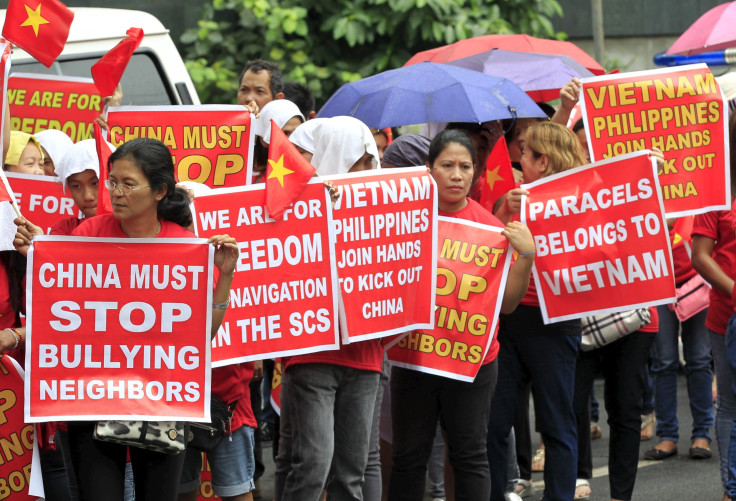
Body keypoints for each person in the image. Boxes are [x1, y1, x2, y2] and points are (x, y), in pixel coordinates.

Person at [14, 137, 239, 501]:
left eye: (128, 184)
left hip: (161, 402)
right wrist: (42, 260)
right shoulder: (88, 234)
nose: (115, 192)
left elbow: (203, 336)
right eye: (112, 181)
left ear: (160, 191)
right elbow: (64, 315)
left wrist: (224, 278)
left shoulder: (184, 246)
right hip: (91, 398)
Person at [388, 128, 535, 501]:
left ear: (475, 173)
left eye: (465, 166)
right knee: (409, 456)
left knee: (470, 455)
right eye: (447, 165)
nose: (457, 175)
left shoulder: (492, 230)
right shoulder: (403, 223)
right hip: (415, 358)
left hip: (473, 363)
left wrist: (527, 257)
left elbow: (507, 305)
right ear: (428, 169)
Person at [279, 116, 380, 501]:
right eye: (360, 161)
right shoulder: (293, 210)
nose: (369, 171)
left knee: (350, 475)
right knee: (313, 467)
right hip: (313, 353)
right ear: (336, 156)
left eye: (371, 161)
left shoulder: (385, 209)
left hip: (365, 357)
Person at [486, 121, 585, 501]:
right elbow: (486, 250)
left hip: (555, 324)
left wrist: (650, 169)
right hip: (508, 319)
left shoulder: (584, 200)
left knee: (557, 423)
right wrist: (503, 212)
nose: (518, 158)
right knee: (494, 422)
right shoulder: (513, 198)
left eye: (524, 153)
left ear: (542, 162)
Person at [691, 111, 736, 501]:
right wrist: (735, 290)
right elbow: (700, 256)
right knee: (732, 406)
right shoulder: (717, 191)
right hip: (727, 316)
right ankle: (731, 487)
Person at [644, 218, 713, 461]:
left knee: (699, 359)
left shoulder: (695, 189)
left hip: (697, 281)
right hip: (658, 283)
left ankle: (702, 434)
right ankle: (667, 436)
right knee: (664, 362)